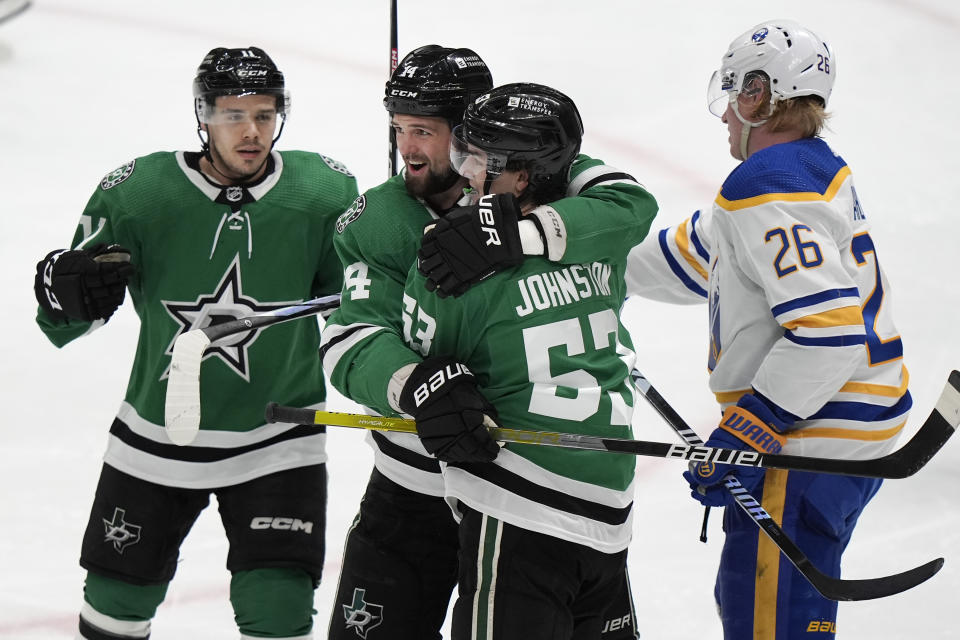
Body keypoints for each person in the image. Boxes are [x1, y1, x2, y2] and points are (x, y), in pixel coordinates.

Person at [320, 45, 653, 640]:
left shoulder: (558, 176)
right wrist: (413, 384)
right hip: (415, 482)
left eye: (425, 131)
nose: (408, 149)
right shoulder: (377, 218)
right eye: (399, 129)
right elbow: (349, 341)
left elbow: (631, 207)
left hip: (518, 484)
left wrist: (518, 234)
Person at [33, 46, 358, 640]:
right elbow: (64, 322)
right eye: (234, 115)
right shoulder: (138, 195)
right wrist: (63, 296)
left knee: (279, 615)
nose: (252, 132)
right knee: (113, 611)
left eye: (265, 114)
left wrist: (395, 247)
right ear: (203, 116)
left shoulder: (324, 193)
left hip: (277, 437)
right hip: (156, 437)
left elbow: (357, 306)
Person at [624, 19, 911, 639]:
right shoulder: (813, 168)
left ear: (759, 94)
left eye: (735, 95)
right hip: (852, 438)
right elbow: (708, 253)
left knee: (767, 624)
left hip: (806, 443)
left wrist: (750, 428)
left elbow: (829, 333)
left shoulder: (764, 186)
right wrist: (596, 270)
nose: (726, 114)